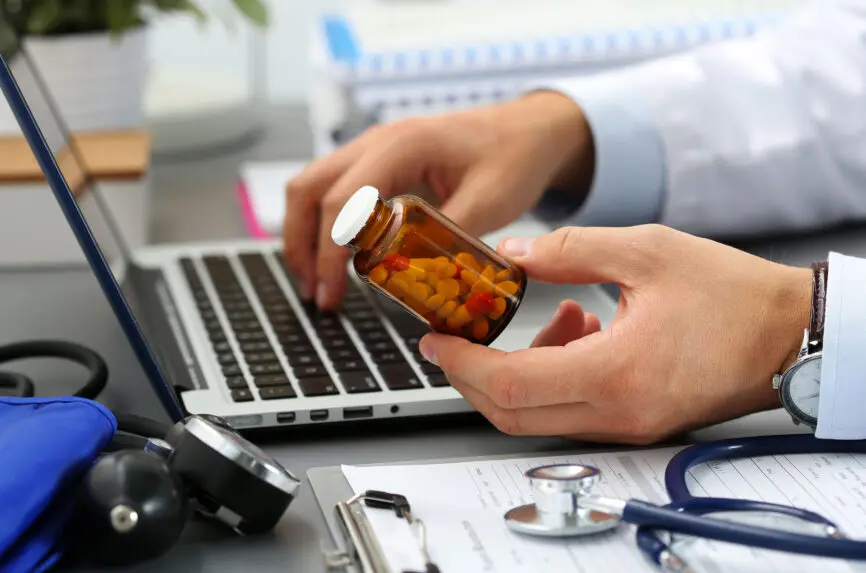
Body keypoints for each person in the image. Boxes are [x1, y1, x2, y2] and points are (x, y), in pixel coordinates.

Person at [281, 0, 866, 443]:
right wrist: (564, 131)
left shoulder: (400, 233)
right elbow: (840, 74)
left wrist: (795, 326)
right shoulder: (395, 239)